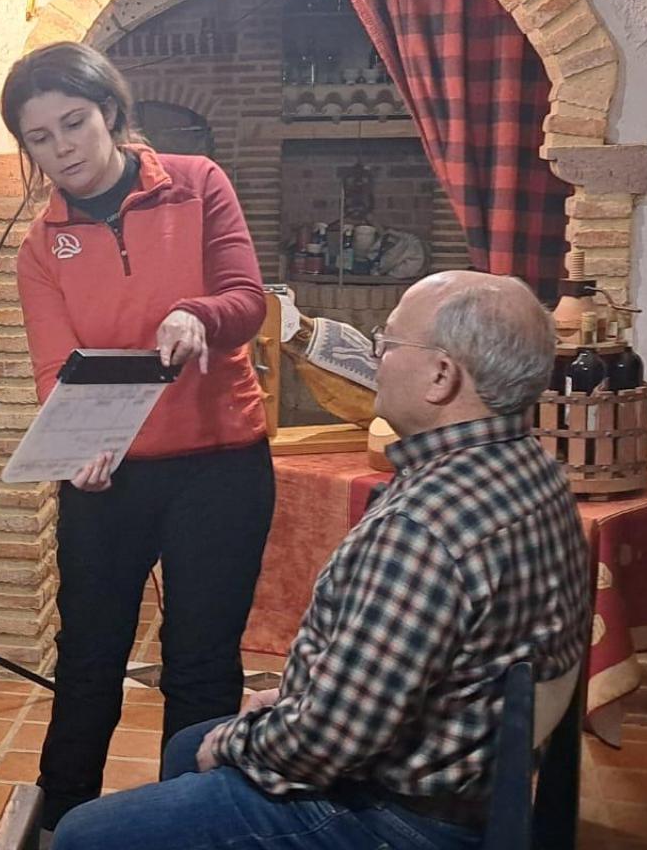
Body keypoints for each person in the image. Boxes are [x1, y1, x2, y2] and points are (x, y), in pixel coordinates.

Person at [53, 271, 591, 850]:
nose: (375, 357)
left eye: (388, 342)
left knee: (86, 834)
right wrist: (296, 699)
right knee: (188, 746)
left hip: (400, 818)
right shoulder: (535, 470)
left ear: (442, 375)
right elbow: (383, 679)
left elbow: (329, 743)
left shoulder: (423, 529)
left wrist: (241, 741)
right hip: (471, 777)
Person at [3, 41, 275, 831]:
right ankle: (63, 821)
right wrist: (75, 450)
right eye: (39, 137)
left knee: (201, 660)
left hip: (220, 464)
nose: (62, 149)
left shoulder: (197, 184)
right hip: (108, 474)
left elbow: (246, 300)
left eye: (74, 124)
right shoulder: (40, 247)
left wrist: (199, 314)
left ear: (111, 112)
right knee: (89, 654)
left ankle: (187, 826)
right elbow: (54, 371)